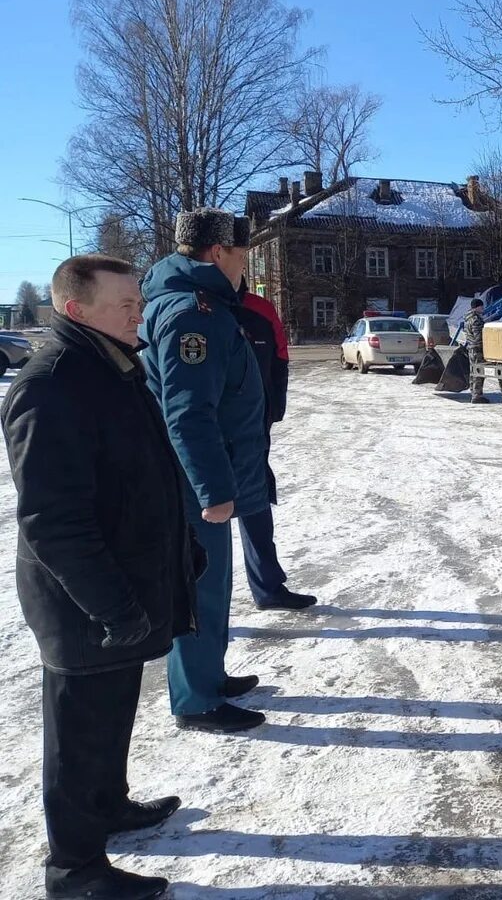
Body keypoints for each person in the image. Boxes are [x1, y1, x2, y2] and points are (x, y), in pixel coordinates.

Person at [2, 254, 197, 900]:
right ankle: (74, 870)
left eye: (139, 300)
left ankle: (108, 804)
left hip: (121, 587)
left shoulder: (111, 365)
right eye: (126, 304)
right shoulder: (52, 383)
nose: (140, 312)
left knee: (111, 713)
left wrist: (178, 552)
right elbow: (52, 522)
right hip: (83, 602)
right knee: (79, 729)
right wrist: (113, 606)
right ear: (75, 309)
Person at [140, 208, 270, 734]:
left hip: (203, 476)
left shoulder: (200, 305)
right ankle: (195, 699)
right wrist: (213, 489)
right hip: (194, 484)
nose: (247, 266)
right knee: (200, 586)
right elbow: (188, 412)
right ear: (218, 254)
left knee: (213, 581)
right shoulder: (194, 315)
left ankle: (209, 676)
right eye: (243, 255)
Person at [232, 219, 316, 611]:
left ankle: (268, 587)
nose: (242, 263)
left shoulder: (260, 309)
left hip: (252, 430)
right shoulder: (193, 308)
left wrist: (272, 411)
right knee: (196, 521)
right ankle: (188, 608)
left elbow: (280, 359)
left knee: (255, 506)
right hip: (199, 431)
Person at [463, 297, 489, 404]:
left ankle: (473, 392)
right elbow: (479, 337)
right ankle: (477, 395)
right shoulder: (476, 320)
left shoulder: (468, 319)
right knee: (479, 372)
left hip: (471, 348)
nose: (483, 308)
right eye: (481, 306)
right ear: (477, 307)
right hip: (477, 349)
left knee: (473, 371)